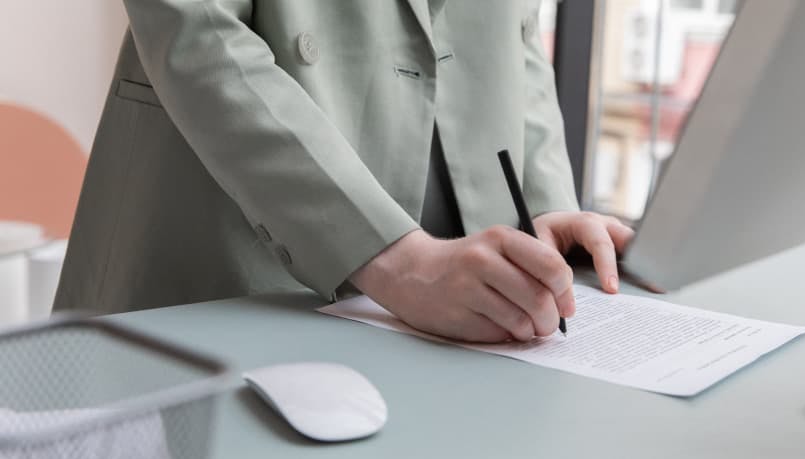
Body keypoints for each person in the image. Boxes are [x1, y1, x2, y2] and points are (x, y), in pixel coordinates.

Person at [55, 0, 634, 342]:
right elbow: (197, 29)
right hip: (227, 263)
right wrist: (400, 262)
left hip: (464, 305)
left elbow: (518, 31)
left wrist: (542, 203)